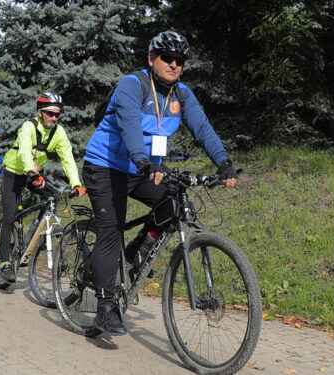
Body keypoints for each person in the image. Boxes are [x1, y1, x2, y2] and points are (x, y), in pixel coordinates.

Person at [82, 31, 238, 335]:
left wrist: (224, 163)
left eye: (180, 60)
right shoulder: (133, 84)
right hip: (106, 165)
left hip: (143, 166)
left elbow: (202, 128)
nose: (174, 64)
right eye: (167, 57)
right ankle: (104, 305)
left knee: (177, 204)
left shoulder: (181, 94)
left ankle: (134, 254)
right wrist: (143, 160)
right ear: (151, 59)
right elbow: (128, 124)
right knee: (111, 231)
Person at [0, 92, 86, 284]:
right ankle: (5, 263)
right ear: (40, 112)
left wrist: (76, 183)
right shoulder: (28, 126)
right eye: (49, 113)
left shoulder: (58, 131)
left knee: (54, 196)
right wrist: (31, 171)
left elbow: (67, 158)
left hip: (34, 173)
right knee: (10, 215)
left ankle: (32, 237)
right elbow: (24, 151)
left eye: (57, 114)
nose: (54, 117)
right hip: (15, 172)